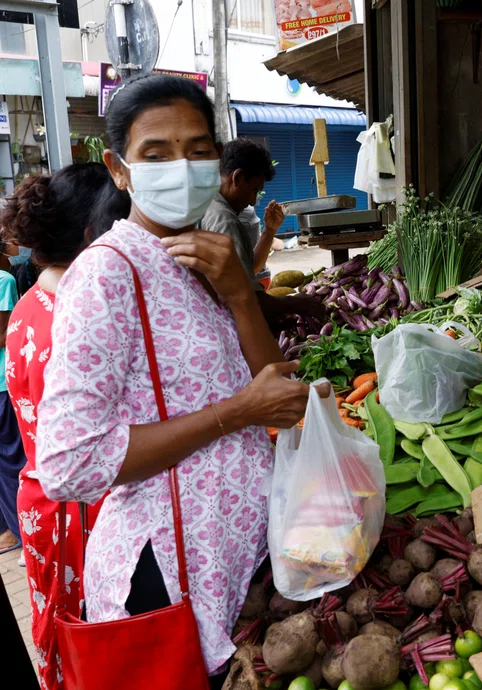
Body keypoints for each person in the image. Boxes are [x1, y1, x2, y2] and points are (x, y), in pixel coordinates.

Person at [35, 75, 314, 689]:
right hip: (165, 574)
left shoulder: (204, 257)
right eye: (155, 154)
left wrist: (242, 295)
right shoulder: (106, 276)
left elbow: (276, 393)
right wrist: (235, 412)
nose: (180, 168)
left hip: (237, 559)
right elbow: (68, 463)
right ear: (119, 169)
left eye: (197, 150)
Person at [1, 162, 130, 689]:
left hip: (43, 508)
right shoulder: (80, 317)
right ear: (90, 234)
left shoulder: (29, 305)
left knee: (72, 647)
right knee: (108, 647)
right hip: (85, 515)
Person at [201, 138, 325, 328]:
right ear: (238, 178)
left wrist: (269, 231)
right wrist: (299, 302)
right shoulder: (224, 220)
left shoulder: (212, 205)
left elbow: (249, 269)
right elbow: (251, 302)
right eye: (254, 190)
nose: (253, 201)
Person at [0, 258, 24, 560]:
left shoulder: (4, 280)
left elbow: (4, 333)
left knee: (12, 463)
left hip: (4, 386)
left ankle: (22, 532)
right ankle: (11, 529)